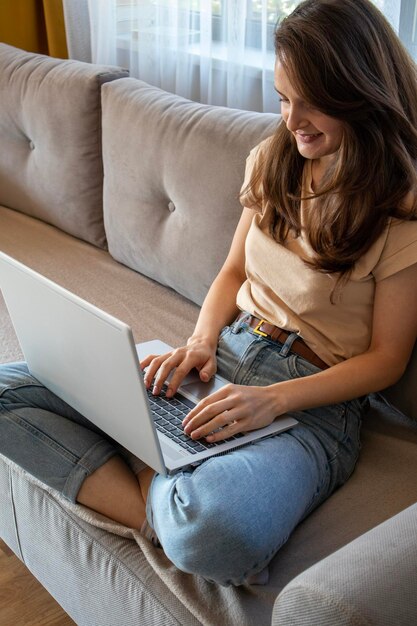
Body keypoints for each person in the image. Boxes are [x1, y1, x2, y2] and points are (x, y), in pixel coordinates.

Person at [1, 0, 417, 587]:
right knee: (4, 393)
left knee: (212, 534)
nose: (291, 119)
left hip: (312, 406)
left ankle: (153, 472)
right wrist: (199, 342)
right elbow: (231, 274)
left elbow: (386, 360)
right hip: (222, 358)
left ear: (360, 91)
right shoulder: (274, 160)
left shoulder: (399, 209)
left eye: (311, 101)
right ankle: (162, 488)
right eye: (281, 97)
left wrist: (273, 401)